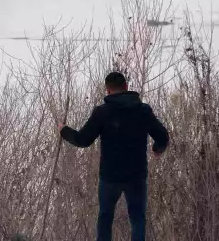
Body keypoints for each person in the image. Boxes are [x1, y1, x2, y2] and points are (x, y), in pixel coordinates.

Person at [58, 72, 169, 241]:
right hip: (136, 176)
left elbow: (83, 140)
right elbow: (163, 137)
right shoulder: (143, 111)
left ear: (108, 91)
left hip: (110, 177)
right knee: (137, 218)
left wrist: (64, 130)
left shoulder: (102, 112)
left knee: (105, 217)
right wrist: (157, 149)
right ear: (126, 87)